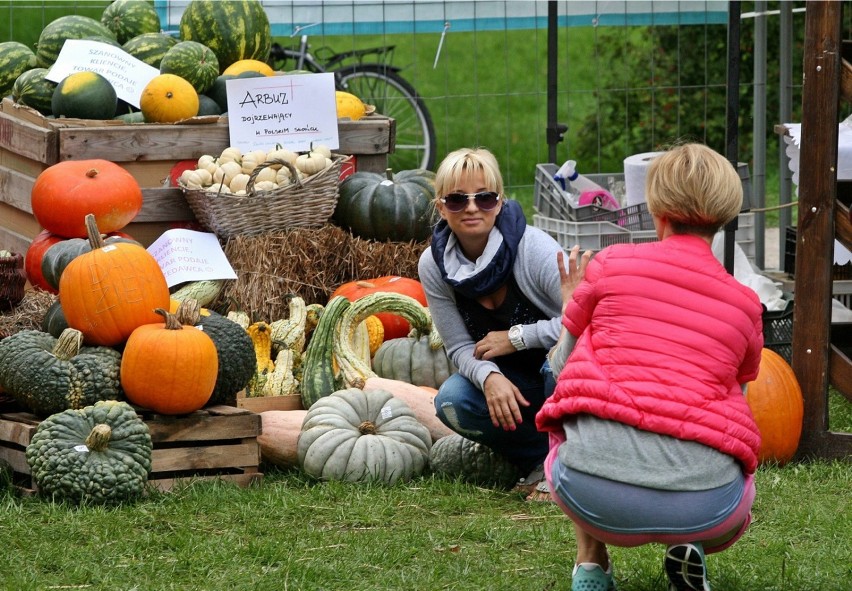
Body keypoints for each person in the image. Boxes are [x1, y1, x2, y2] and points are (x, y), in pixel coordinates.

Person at [536, 143, 764, 591]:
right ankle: (689, 540)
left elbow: (561, 368)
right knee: (727, 415)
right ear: (725, 217)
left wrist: (570, 310)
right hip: (707, 504)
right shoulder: (745, 305)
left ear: (657, 209)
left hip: (592, 492)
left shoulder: (611, 265)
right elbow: (738, 399)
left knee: (569, 401)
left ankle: (591, 564)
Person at [418, 147, 564, 494]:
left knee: (558, 363)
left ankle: (565, 463)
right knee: (452, 401)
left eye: (483, 198)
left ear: (499, 202)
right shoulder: (433, 265)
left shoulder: (534, 250)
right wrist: (489, 377)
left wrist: (517, 337)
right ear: (441, 207)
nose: (471, 208)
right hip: (512, 382)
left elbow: (583, 321)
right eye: (456, 199)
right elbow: (457, 347)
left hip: (557, 375)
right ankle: (539, 458)